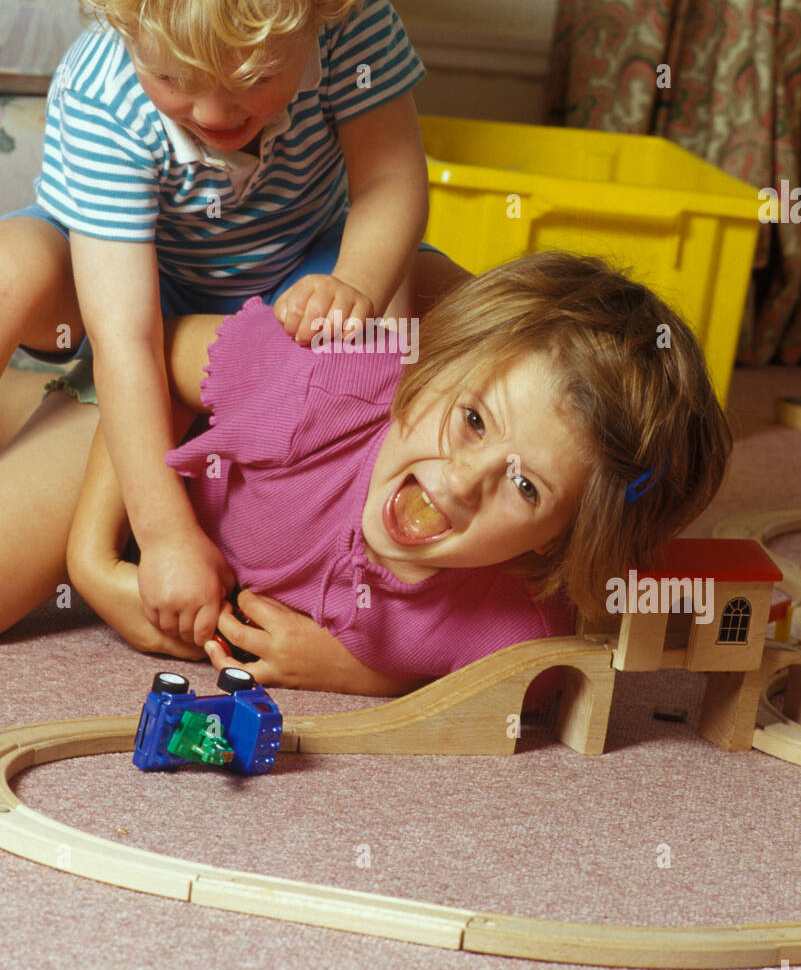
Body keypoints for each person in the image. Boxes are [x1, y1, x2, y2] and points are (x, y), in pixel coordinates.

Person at [0, 0, 434, 645]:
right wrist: (162, 538)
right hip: (127, 323)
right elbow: (123, 336)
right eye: (173, 77)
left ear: (312, 19)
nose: (209, 111)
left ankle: (47, 417)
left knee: (439, 319)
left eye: (250, 79)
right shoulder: (103, 96)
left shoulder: (342, 10)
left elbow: (388, 178)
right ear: (127, 29)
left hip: (290, 302)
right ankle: (44, 406)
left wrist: (352, 287)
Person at [64, 251, 733, 696]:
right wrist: (100, 559)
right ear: (430, 371)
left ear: (554, 539)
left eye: (526, 487)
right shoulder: (319, 391)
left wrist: (355, 673)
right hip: (130, 446)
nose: (462, 481)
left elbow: (530, 689)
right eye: (472, 420)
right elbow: (147, 367)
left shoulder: (517, 633)